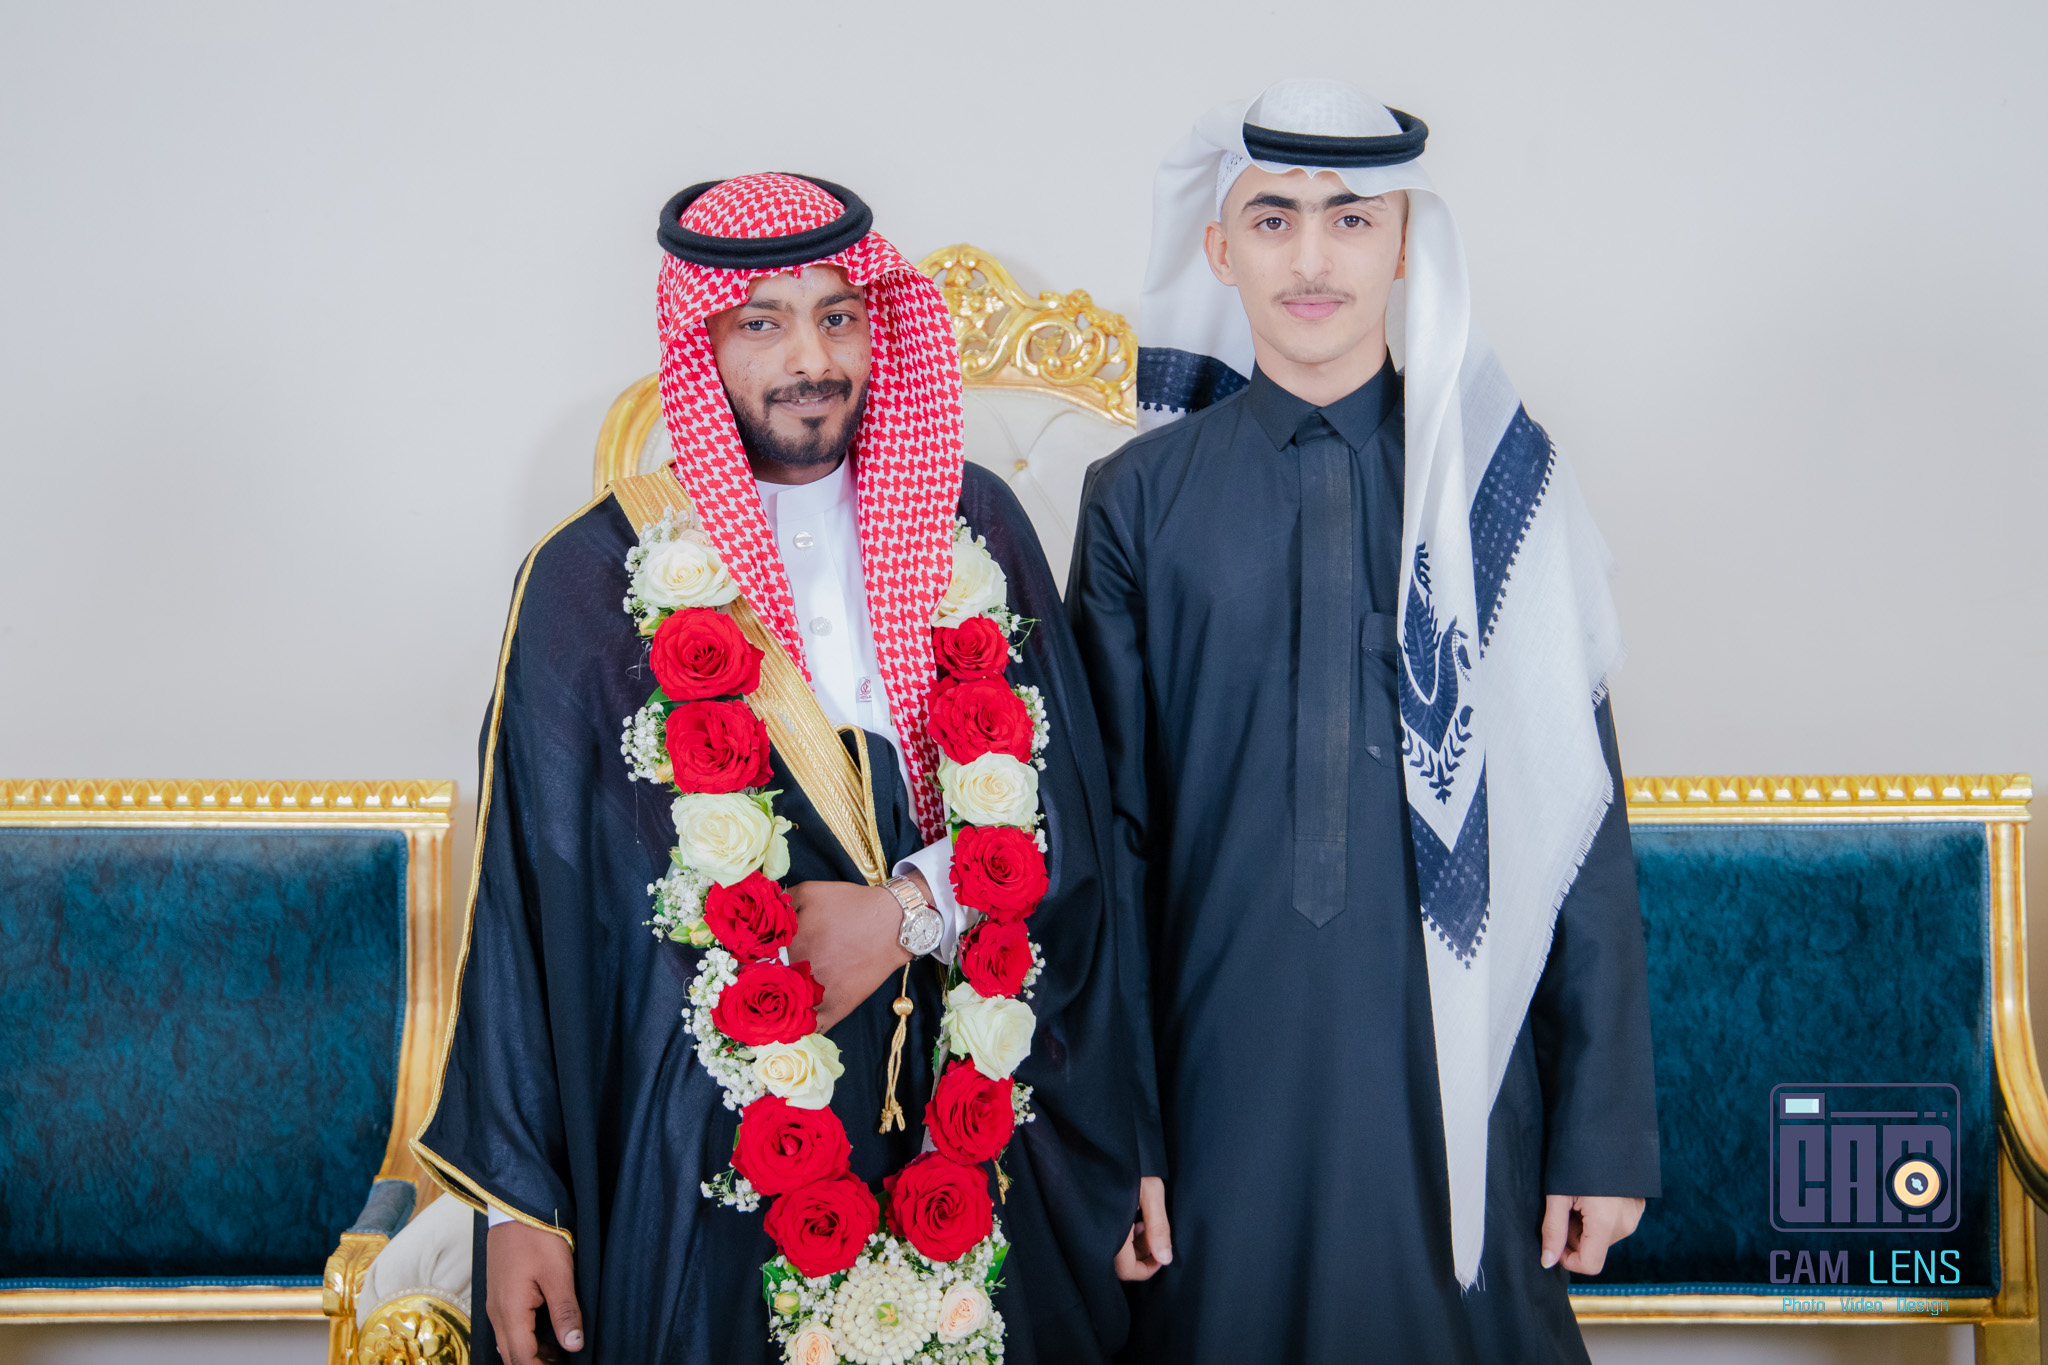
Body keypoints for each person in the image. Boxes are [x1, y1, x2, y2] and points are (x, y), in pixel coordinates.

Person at [414, 172, 1160, 1365]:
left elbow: (1065, 820)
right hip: (700, 1144)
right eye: (761, 323)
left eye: (837, 316)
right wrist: (518, 1207)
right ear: (700, 343)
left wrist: (908, 912)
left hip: (967, 1115)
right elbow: (525, 905)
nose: (810, 359)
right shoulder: (588, 580)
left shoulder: (973, 527)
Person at [1067, 80, 1660, 1363]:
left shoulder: (1500, 488)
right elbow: (1105, 844)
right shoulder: (1136, 500)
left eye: (1349, 219)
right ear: (1217, 250)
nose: (1310, 259)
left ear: (1403, 245)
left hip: (1459, 1063)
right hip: (1214, 1075)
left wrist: (1599, 1133)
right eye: (1271, 220)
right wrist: (1122, 1136)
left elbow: (1577, 815)